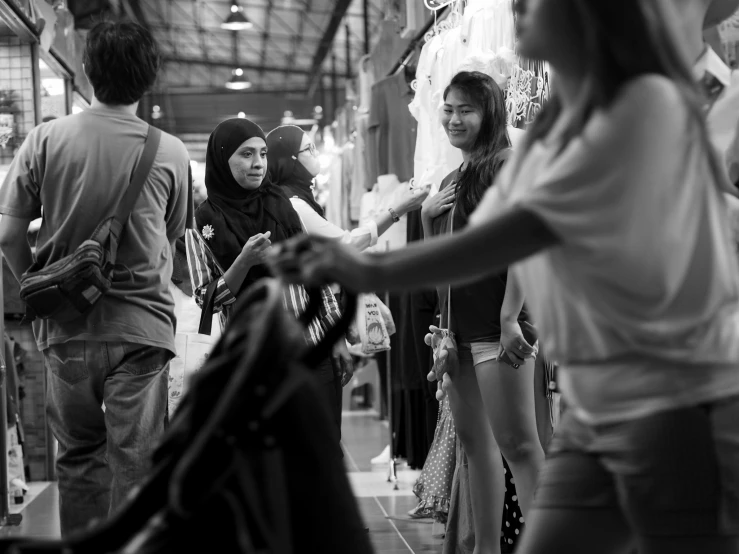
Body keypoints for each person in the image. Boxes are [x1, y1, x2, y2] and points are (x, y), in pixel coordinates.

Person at [270, 0, 739, 552]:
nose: (519, 15)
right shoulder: (554, 133)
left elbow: (507, 239)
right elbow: (480, 244)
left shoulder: (641, 105)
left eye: (534, 7)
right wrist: (366, 262)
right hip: (600, 408)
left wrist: (366, 264)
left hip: (679, 401)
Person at [0, 22, 191, 536]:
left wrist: (35, 288)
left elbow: (8, 235)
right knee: (137, 460)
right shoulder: (170, 151)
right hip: (143, 329)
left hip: (67, 328)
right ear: (149, 78)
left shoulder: (45, 139)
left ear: (86, 70)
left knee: (80, 455)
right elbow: (169, 238)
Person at [421, 70, 542, 554]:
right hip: (459, 336)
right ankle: (485, 548)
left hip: (497, 328)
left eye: (465, 109)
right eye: (448, 108)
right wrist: (430, 221)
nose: (453, 118)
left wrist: (512, 316)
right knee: (477, 450)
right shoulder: (454, 178)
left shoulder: (508, 165)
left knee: (520, 447)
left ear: (488, 112)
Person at [189, 118, 347, 443]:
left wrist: (338, 338)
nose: (258, 163)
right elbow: (207, 298)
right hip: (255, 362)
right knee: (272, 467)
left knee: (321, 461)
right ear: (222, 158)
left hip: (314, 349)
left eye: (262, 153)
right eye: (246, 154)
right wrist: (244, 262)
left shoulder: (283, 205)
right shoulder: (203, 223)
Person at [265, 124, 429, 251]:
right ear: (289, 160)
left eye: (313, 147)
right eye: (308, 149)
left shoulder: (291, 198)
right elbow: (348, 245)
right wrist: (398, 209)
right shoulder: (295, 205)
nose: (315, 153)